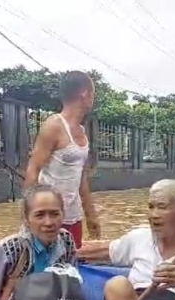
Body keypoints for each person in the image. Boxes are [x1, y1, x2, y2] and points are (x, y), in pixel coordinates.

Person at [25, 71, 100, 248]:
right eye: (93, 94)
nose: (93, 100)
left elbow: (81, 178)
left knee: (71, 265)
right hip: (48, 218)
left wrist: (91, 215)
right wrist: (29, 217)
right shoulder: (54, 126)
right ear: (85, 94)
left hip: (73, 216)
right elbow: (33, 169)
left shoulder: (82, 133)